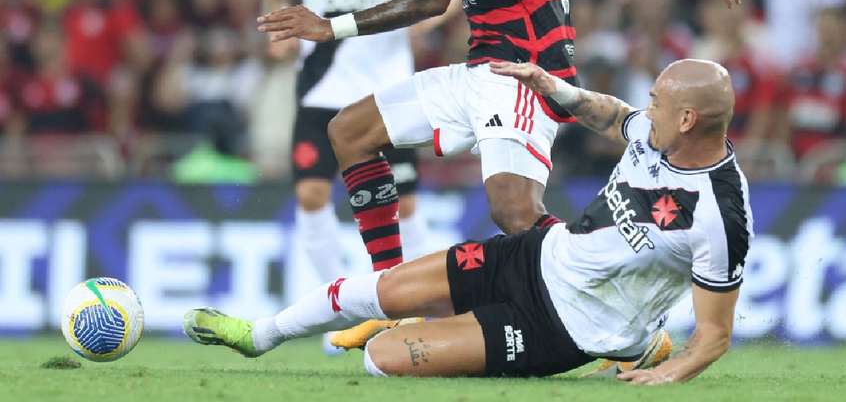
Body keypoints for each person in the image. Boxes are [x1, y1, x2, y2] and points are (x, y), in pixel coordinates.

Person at [256, 0, 741, 337]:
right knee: (350, 130)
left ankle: (617, 319)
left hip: (521, 74)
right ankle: (391, 297)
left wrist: (332, 26)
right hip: (483, 70)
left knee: (516, 216)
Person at [184, 58, 752, 383]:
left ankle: (638, 345)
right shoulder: (654, 136)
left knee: (382, 360)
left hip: (564, 328)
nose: (644, 109)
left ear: (687, 117)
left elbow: (714, 335)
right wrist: (554, 89)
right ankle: (258, 336)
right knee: (380, 293)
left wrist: (672, 373)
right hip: (536, 254)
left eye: (656, 102)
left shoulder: (720, 212)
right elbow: (613, 114)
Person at [260, 0, 438, 348]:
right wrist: (277, 33)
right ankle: (337, 304)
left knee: (402, 204)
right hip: (320, 89)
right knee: (311, 195)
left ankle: (413, 308)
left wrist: (426, 23)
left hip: (386, 97)